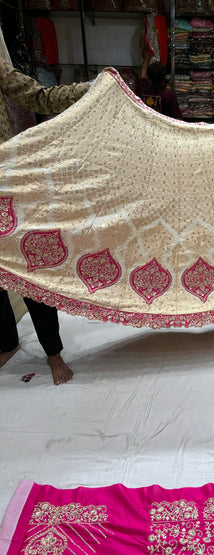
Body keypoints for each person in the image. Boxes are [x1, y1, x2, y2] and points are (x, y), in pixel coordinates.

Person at [0, 56, 89, 384]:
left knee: (27, 263)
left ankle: (53, 353)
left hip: (3, 181)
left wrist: (86, 89)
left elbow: (36, 95)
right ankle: (6, 343)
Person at [138, 49, 182, 119]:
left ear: (149, 78)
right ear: (164, 78)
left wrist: (146, 59)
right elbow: (177, 118)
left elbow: (143, 76)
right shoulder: (169, 95)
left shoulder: (144, 91)